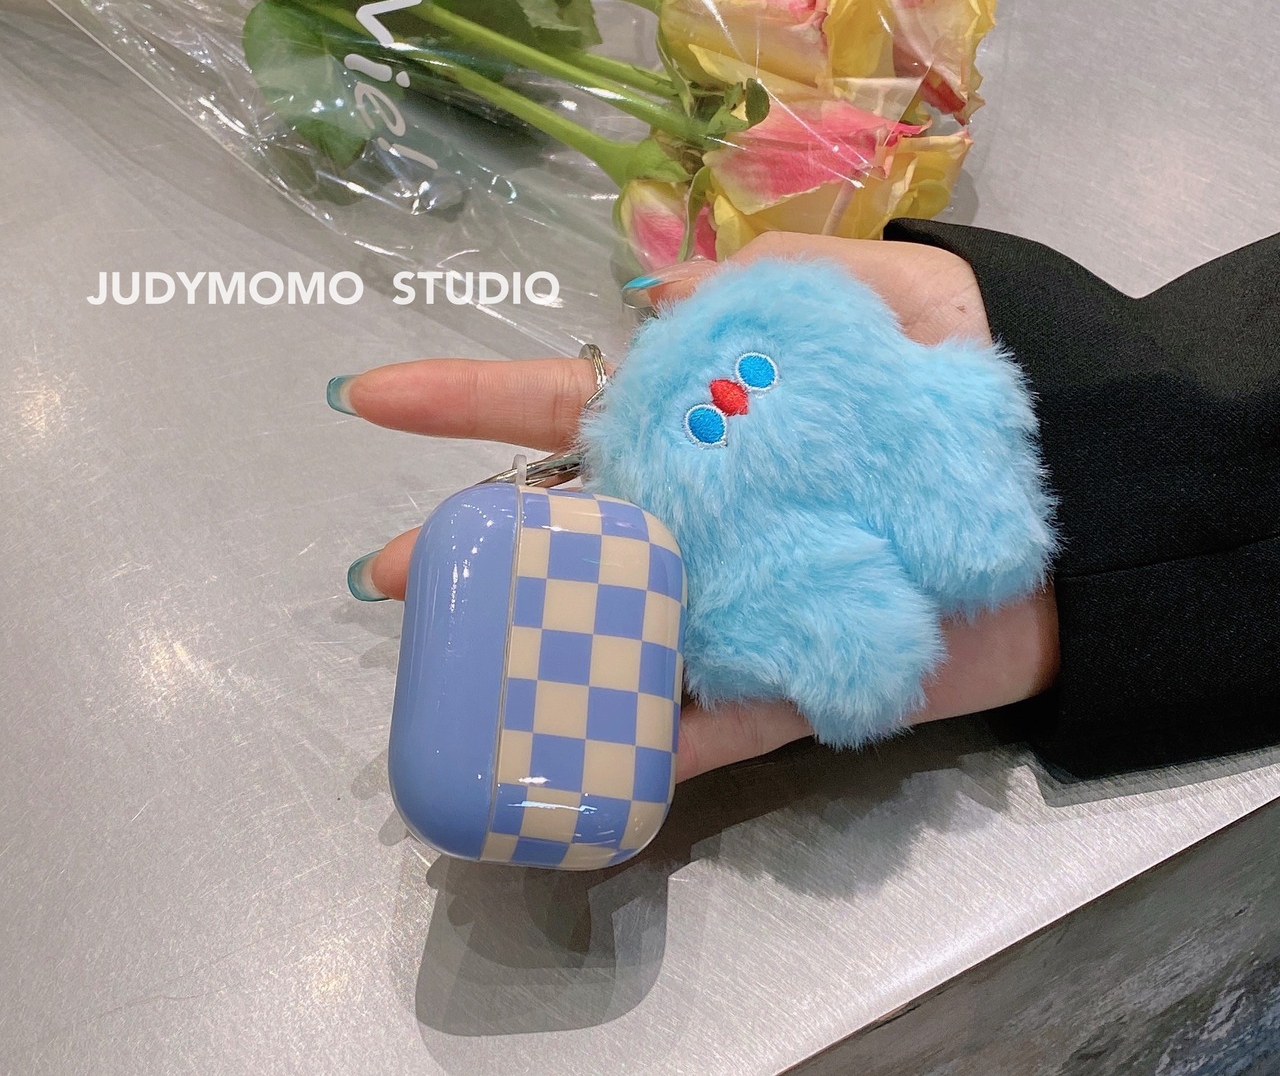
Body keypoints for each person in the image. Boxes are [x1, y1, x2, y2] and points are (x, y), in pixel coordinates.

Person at [330, 220, 1280, 783]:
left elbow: (946, 432)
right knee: (849, 618)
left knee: (922, 543)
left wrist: (1112, 435)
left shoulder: (882, 387)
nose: (731, 398)